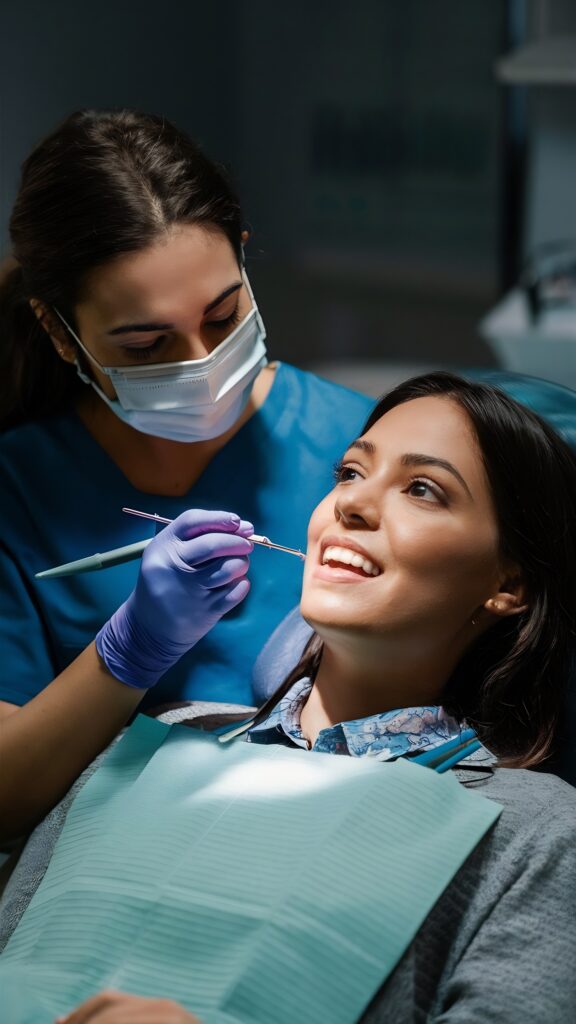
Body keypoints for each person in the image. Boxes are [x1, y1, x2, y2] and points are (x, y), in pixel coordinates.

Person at [2, 372, 576, 1023]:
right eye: (350, 473)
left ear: (508, 585)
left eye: (422, 489)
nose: (352, 503)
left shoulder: (534, 829)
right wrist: (128, 647)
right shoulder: (151, 741)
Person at [0, 109, 372, 838]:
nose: (201, 363)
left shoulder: (361, 445)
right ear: (58, 331)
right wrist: (129, 651)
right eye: (146, 346)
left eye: (223, 315)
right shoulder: (19, 491)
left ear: (243, 256)